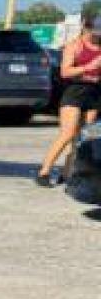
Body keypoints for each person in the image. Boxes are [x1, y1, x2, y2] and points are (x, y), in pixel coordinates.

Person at [37, 15, 101, 186]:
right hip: (75, 92)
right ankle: (44, 171)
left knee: (85, 138)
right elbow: (65, 72)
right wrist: (89, 67)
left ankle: (67, 174)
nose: (96, 36)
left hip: (94, 93)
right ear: (86, 28)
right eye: (94, 32)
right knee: (68, 133)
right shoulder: (75, 46)